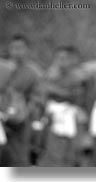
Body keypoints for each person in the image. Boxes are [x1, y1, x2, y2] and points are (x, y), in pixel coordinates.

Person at [0, 34, 44, 166]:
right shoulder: (3, 68)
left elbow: (38, 98)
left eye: (20, 48)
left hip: (22, 121)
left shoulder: (34, 72)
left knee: (19, 157)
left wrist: (24, 113)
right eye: (13, 48)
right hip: (2, 120)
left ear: (27, 50)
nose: (16, 52)